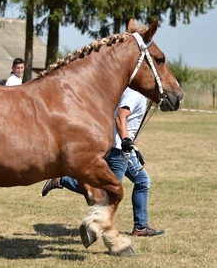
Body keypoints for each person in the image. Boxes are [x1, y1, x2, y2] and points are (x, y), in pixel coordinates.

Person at [41, 87, 164, 237]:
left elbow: (133, 126)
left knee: (143, 181)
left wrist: (134, 149)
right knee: (109, 193)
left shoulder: (137, 95)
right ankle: (63, 181)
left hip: (126, 151)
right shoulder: (134, 94)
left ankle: (140, 227)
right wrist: (126, 143)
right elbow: (121, 117)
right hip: (118, 151)